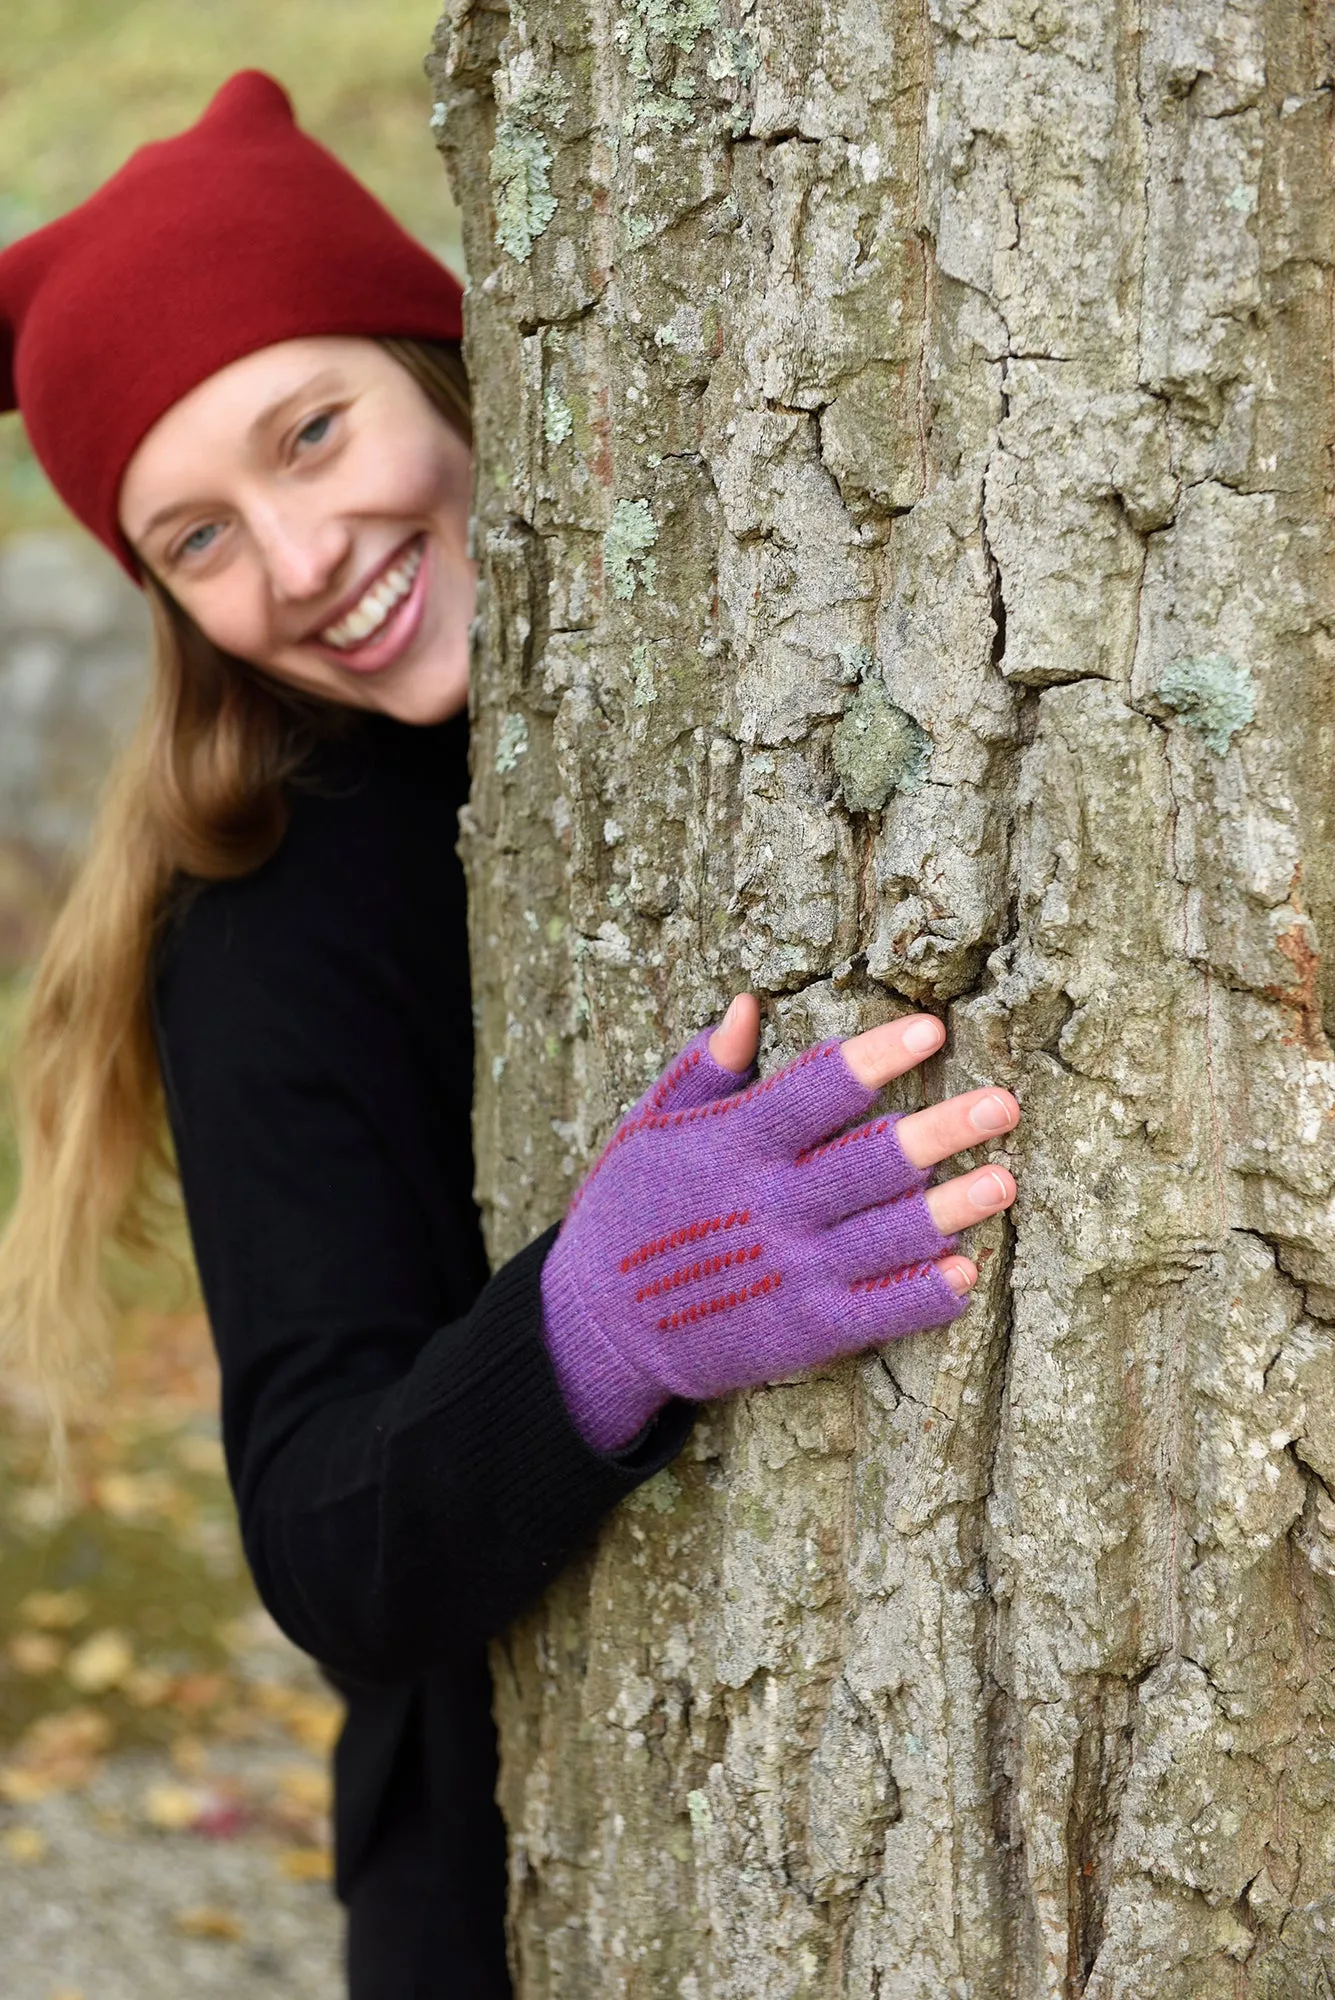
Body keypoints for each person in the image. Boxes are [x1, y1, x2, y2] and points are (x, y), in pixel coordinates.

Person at [0, 73, 1021, 1999]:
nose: (298, 561)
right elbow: (324, 1546)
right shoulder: (272, 915)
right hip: (519, 1899)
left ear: (442, 361)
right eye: (199, 538)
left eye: (314, 435)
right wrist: (592, 1321)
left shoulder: (755, 611)